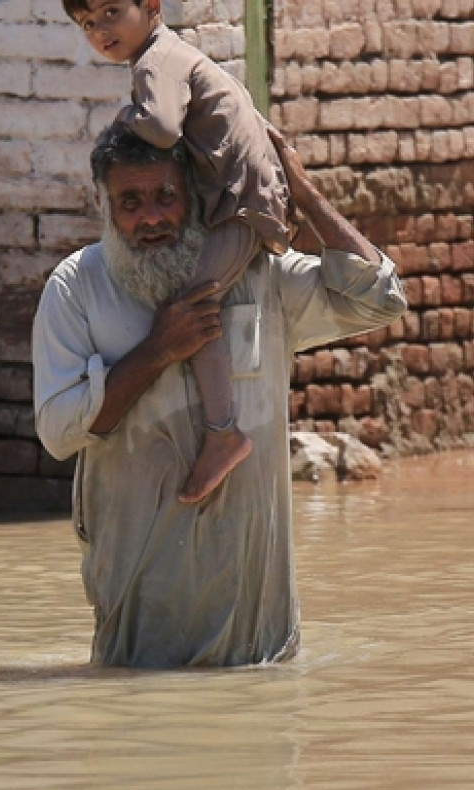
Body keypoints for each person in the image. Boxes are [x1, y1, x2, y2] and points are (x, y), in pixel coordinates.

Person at [31, 123, 407, 668]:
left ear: (193, 196)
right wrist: (158, 350)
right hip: (139, 604)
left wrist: (306, 194)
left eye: (166, 196)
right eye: (129, 202)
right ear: (105, 207)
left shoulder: (258, 276)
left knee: (260, 725)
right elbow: (59, 432)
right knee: (136, 727)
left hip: (259, 616)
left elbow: (382, 301)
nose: (151, 217)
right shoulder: (76, 288)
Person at [66, 0, 296, 504]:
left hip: (240, 206)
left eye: (110, 13)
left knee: (191, 310)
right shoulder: (177, 55)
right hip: (246, 197)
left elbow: (163, 129)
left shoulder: (155, 62)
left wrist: (128, 116)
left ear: (151, 6)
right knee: (195, 306)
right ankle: (222, 431)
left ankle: (223, 432)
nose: (99, 30)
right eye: (87, 24)